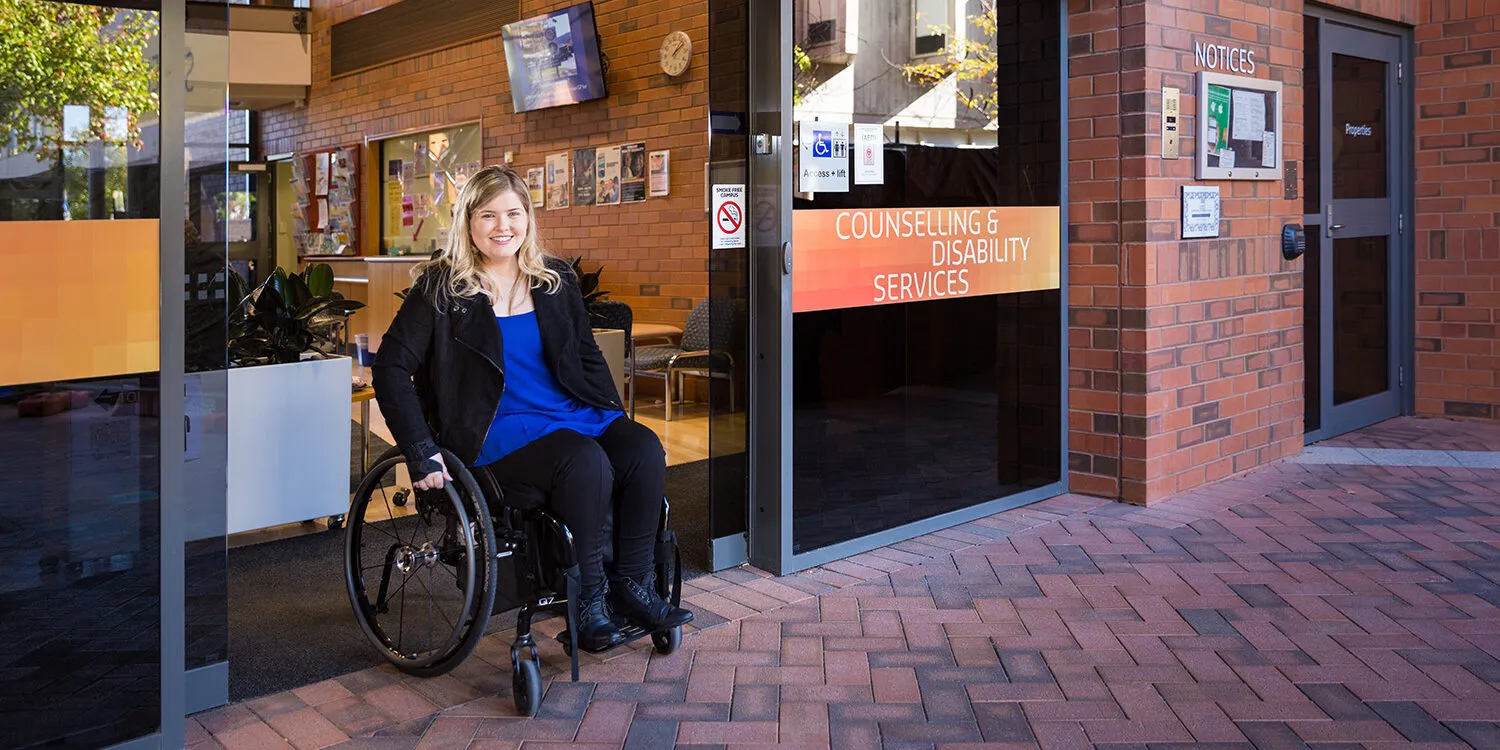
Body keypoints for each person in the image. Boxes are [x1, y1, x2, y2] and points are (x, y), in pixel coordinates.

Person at [372, 165, 691, 652]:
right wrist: (420, 449)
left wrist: (612, 416)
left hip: (570, 413)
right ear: (468, 222)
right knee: (582, 459)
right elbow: (391, 367)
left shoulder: (554, 278)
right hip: (493, 432)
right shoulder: (442, 289)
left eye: (514, 214)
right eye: (489, 215)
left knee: (642, 448)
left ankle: (634, 585)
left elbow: (585, 356)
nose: (503, 226)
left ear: (528, 218)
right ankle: (588, 604)